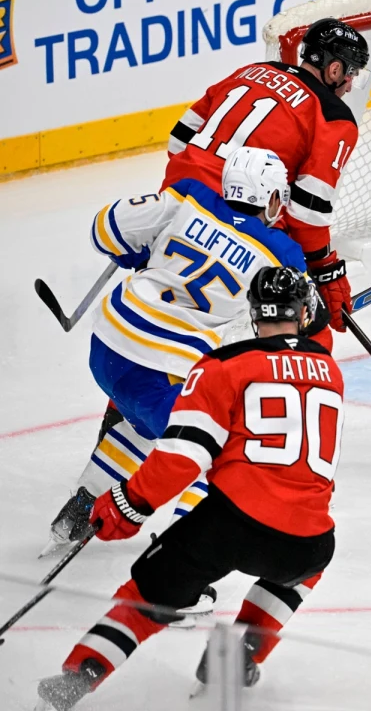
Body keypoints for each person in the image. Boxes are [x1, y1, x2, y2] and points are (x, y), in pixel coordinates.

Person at [36, 266, 343, 711]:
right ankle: (237, 658)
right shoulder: (329, 370)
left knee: (145, 598)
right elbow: (303, 351)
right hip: (309, 537)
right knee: (305, 567)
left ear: (255, 315)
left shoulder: (224, 366)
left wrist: (128, 505)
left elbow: (183, 457)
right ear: (304, 312)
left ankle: (76, 678)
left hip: (227, 526)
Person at [45, 148, 314, 553]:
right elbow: (279, 323)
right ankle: (177, 557)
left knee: (148, 424)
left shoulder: (189, 196)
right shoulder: (283, 253)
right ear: (270, 198)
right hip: (162, 366)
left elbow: (105, 229)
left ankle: (81, 508)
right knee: (220, 451)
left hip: (107, 347)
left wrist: (139, 251)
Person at [165, 17, 369, 338]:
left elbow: (178, 140)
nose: (349, 84)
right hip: (236, 219)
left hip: (176, 195)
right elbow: (308, 213)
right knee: (310, 330)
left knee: (157, 302)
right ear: (334, 70)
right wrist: (327, 271)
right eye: (351, 74)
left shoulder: (247, 72)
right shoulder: (334, 116)